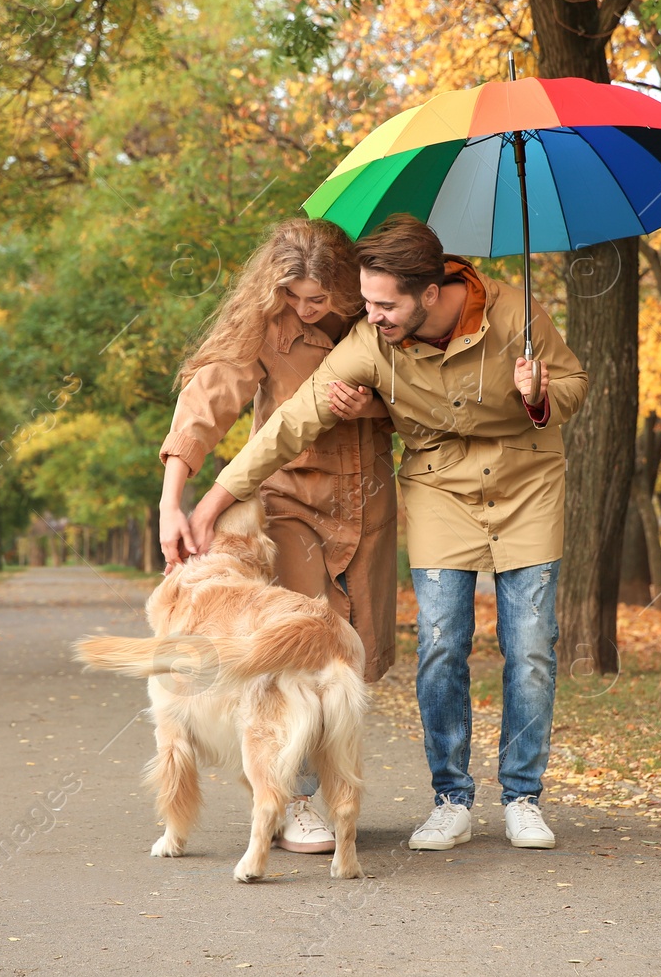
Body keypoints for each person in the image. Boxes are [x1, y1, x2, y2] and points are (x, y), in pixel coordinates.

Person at [189, 213, 587, 852]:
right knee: (441, 644)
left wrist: (540, 395)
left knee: (532, 645)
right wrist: (214, 499)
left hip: (526, 485)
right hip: (439, 488)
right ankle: (451, 798)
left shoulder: (516, 313)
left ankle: (522, 796)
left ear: (429, 294)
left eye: (383, 303)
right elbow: (292, 421)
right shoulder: (370, 342)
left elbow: (574, 385)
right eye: (367, 302)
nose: (368, 315)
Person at [158, 217, 398, 855]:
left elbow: (428, 394)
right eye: (290, 296)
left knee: (355, 651)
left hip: (369, 503)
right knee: (294, 648)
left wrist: (372, 407)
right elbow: (207, 400)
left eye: (316, 298)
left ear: (345, 285)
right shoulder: (263, 326)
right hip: (291, 499)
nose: (301, 308)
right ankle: (292, 799)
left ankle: (331, 792)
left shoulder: (377, 315)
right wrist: (172, 500)